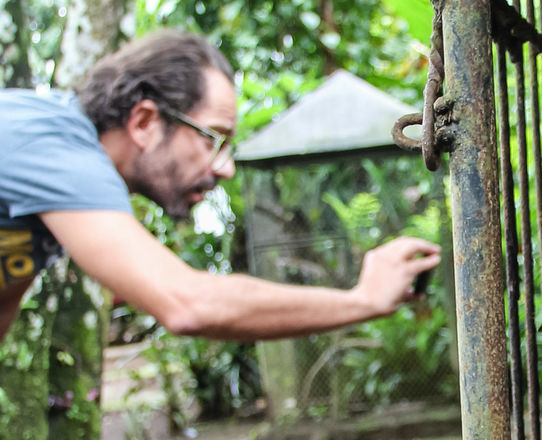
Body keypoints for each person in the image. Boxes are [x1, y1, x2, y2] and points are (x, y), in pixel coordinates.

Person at [0, 29, 440, 342]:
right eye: (213, 138)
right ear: (144, 121)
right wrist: (363, 299)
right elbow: (188, 304)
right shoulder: (48, 144)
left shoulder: (52, 176)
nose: (225, 167)